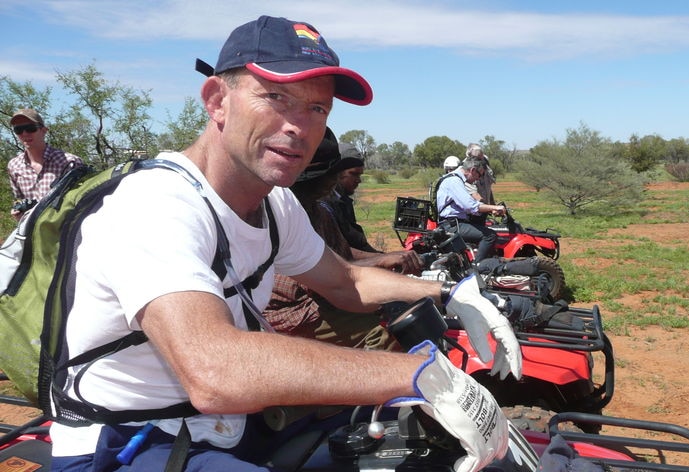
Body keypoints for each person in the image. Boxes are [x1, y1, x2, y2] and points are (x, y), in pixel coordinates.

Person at [48, 16, 520, 472]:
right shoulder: (153, 204)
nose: (299, 126)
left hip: (223, 425)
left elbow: (347, 281)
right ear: (217, 100)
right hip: (127, 440)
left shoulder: (277, 205)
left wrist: (449, 294)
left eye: (317, 109)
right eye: (275, 97)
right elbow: (215, 372)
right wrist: (418, 377)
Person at [265, 127, 422, 350]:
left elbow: (344, 256)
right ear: (308, 178)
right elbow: (330, 280)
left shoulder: (319, 211)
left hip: (323, 296)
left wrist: (385, 260)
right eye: (330, 175)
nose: (334, 180)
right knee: (383, 331)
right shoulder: (282, 215)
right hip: (294, 310)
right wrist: (380, 262)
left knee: (397, 306)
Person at [7, 109, 83, 220]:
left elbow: (82, 203)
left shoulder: (70, 162)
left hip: (65, 231)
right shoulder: (14, 166)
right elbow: (18, 199)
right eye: (18, 130)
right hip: (31, 232)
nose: (24, 134)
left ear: (44, 130)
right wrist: (18, 211)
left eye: (30, 128)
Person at [436, 156, 507, 262]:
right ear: (473, 170)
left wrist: (489, 209)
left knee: (484, 224)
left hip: (455, 222)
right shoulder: (454, 181)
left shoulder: (454, 179)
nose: (479, 178)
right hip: (452, 225)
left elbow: (469, 205)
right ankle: (478, 266)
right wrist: (495, 207)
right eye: (480, 175)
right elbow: (470, 206)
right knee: (490, 235)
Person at [322, 142, 380, 252]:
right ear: (336, 172)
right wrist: (381, 258)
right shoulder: (323, 205)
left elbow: (357, 243)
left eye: (360, 175)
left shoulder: (342, 200)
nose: (359, 180)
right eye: (353, 174)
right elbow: (336, 252)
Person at [464, 143, 495, 226]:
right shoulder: (466, 170)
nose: (479, 161)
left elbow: (488, 187)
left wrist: (493, 205)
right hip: (472, 212)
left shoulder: (485, 165)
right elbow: (474, 194)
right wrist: (490, 208)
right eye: (477, 158)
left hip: (484, 209)